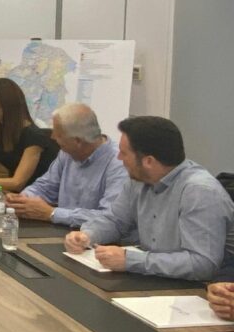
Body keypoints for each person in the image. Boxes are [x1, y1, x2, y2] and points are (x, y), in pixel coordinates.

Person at [64, 116, 234, 281]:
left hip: (201, 288)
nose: (119, 158)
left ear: (149, 161)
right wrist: (87, 235)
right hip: (155, 278)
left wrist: (130, 260)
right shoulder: (138, 180)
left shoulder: (200, 193)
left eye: (124, 153)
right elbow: (115, 220)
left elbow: (202, 264)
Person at [5, 103, 128, 228]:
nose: (52, 137)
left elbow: (110, 218)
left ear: (77, 141)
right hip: (65, 232)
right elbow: (45, 187)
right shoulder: (67, 153)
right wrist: (22, 200)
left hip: (100, 237)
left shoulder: (119, 163)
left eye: (58, 134)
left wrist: (52, 213)